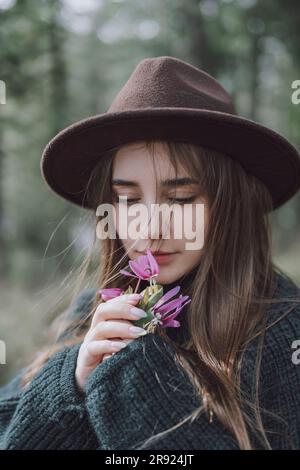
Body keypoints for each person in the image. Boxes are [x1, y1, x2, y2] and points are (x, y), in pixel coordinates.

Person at [1, 56, 300, 450]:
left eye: (179, 199)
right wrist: (72, 379)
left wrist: (132, 373)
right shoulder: (90, 315)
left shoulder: (280, 333)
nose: (148, 227)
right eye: (127, 199)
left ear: (230, 205)